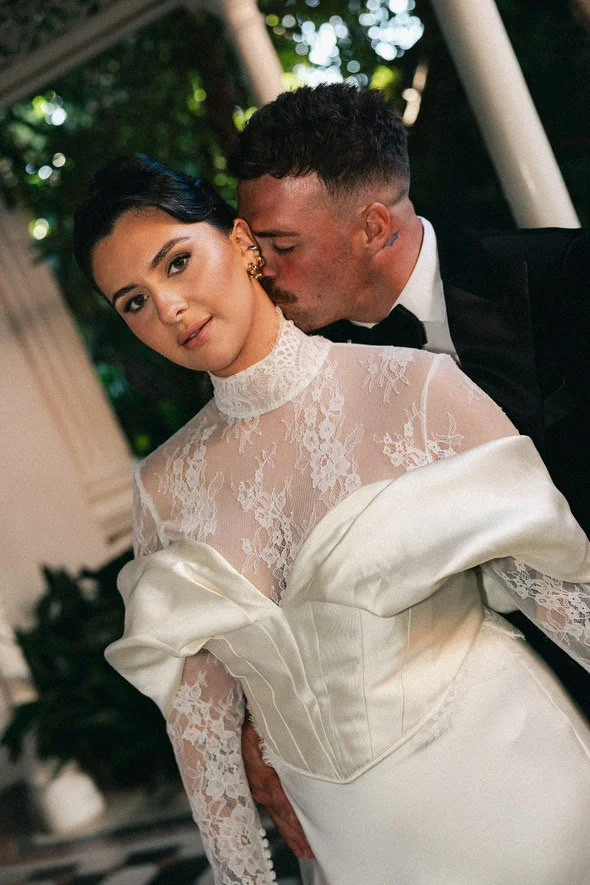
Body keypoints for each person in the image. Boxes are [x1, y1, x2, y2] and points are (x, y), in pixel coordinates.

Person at [74, 154, 590, 885]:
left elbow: (567, 604)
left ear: (245, 243)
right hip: (355, 855)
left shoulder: (413, 389)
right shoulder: (163, 489)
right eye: (133, 301)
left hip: (529, 805)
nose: (169, 307)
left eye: (177, 262)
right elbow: (204, 739)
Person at [231, 84, 590, 857]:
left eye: (282, 248)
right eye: (256, 251)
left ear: (371, 226)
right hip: (464, 768)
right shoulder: (300, 388)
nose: (263, 274)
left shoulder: (566, 279)